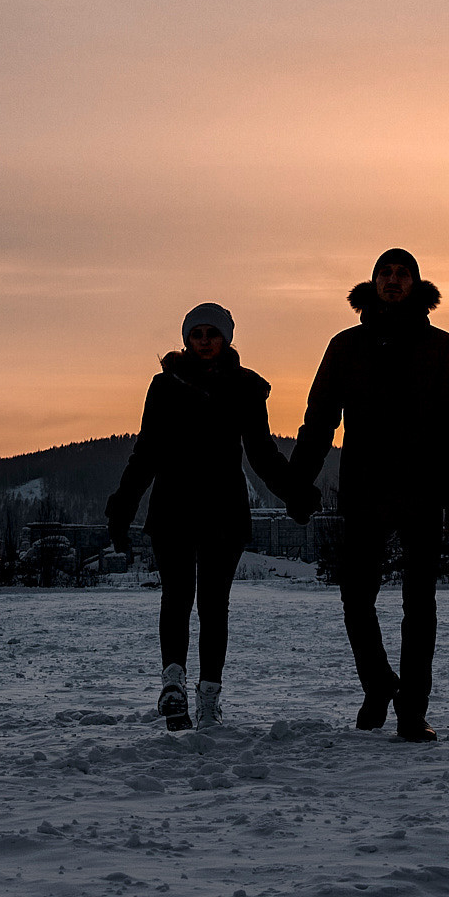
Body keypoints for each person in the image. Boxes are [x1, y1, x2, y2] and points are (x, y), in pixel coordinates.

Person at [283, 249, 449, 742]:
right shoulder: (346, 346)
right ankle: (378, 684)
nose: (393, 280)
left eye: (402, 273)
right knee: (355, 597)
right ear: (372, 282)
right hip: (366, 489)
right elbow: (319, 420)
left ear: (416, 283)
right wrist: (299, 483)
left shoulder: (441, 347)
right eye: (385, 273)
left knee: (421, 603)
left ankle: (412, 709)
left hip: (423, 489)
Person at [107, 302, 306, 731]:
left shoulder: (244, 389)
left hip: (223, 511)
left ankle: (209, 695)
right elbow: (146, 452)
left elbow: (262, 453)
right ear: (186, 339)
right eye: (196, 334)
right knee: (176, 596)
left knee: (215, 607)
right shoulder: (164, 387)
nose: (203, 341)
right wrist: (123, 505)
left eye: (211, 334)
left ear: (226, 339)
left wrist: (295, 492)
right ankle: (173, 684)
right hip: (173, 508)